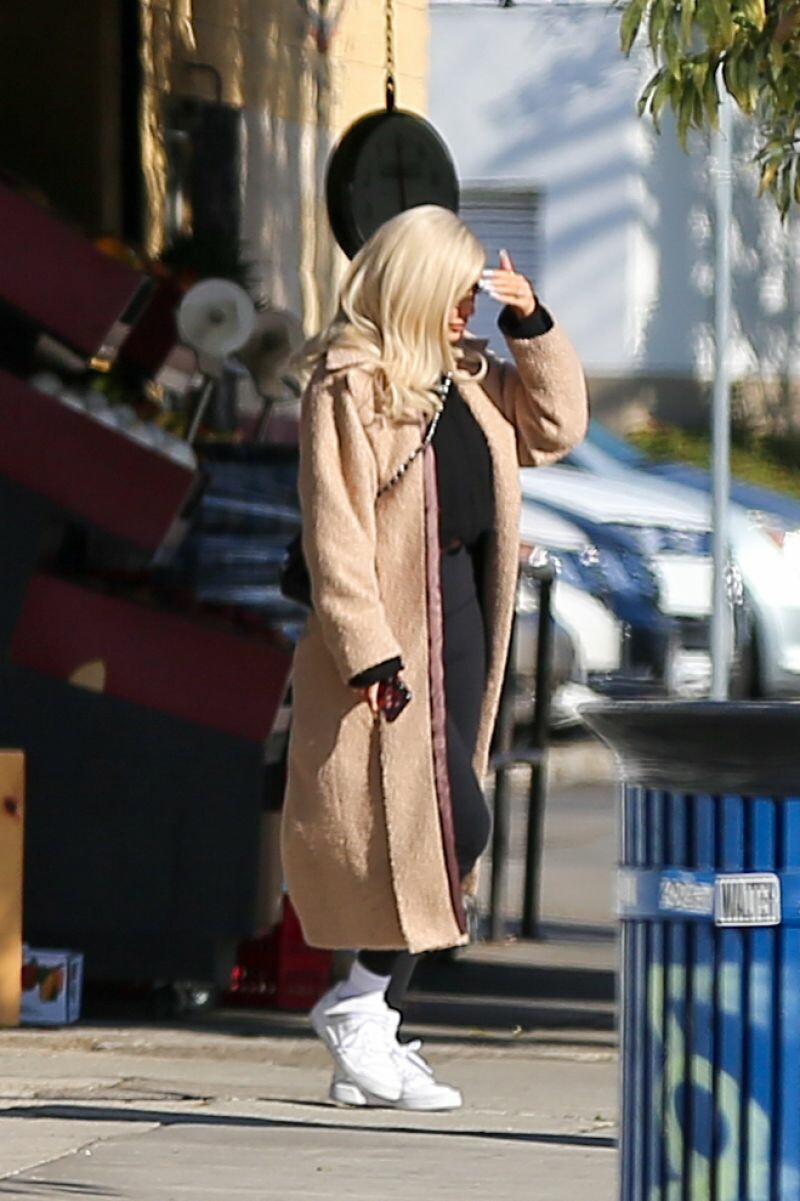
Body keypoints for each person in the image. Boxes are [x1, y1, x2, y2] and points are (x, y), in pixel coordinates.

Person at [281, 205, 587, 1111]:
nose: (466, 311)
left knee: (429, 829)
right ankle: (360, 1005)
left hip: (458, 613)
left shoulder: (466, 374)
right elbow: (335, 532)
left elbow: (556, 428)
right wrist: (369, 652)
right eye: (454, 296)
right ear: (412, 288)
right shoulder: (351, 382)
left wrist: (529, 322)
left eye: (471, 299)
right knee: (454, 824)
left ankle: (369, 1031)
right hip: (389, 631)